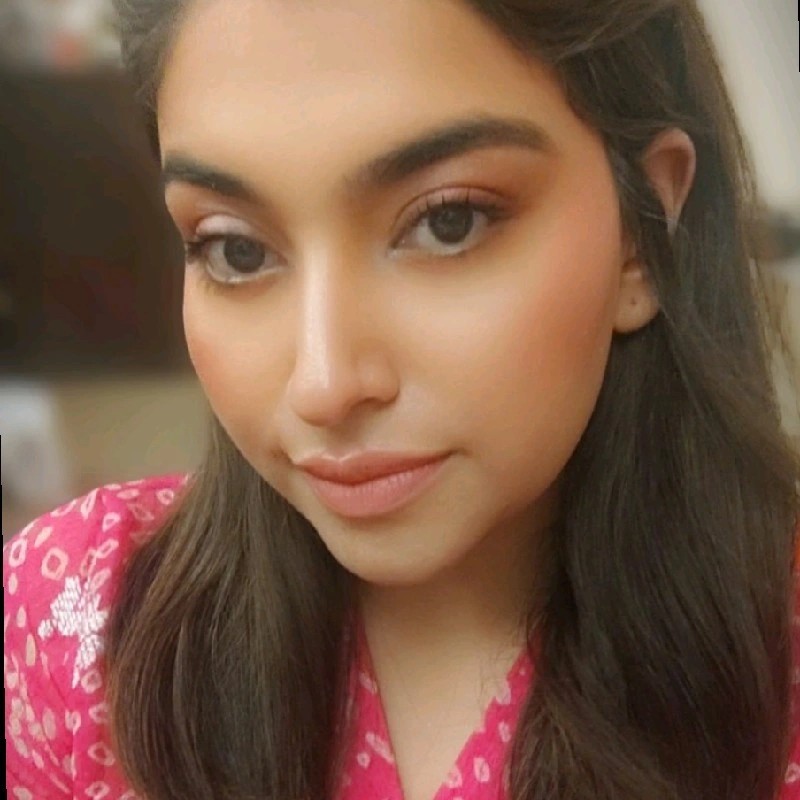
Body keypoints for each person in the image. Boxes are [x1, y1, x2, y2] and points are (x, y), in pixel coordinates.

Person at [4, 1, 800, 798]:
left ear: (643, 234)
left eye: (449, 223)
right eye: (236, 250)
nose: (324, 384)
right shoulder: (70, 630)